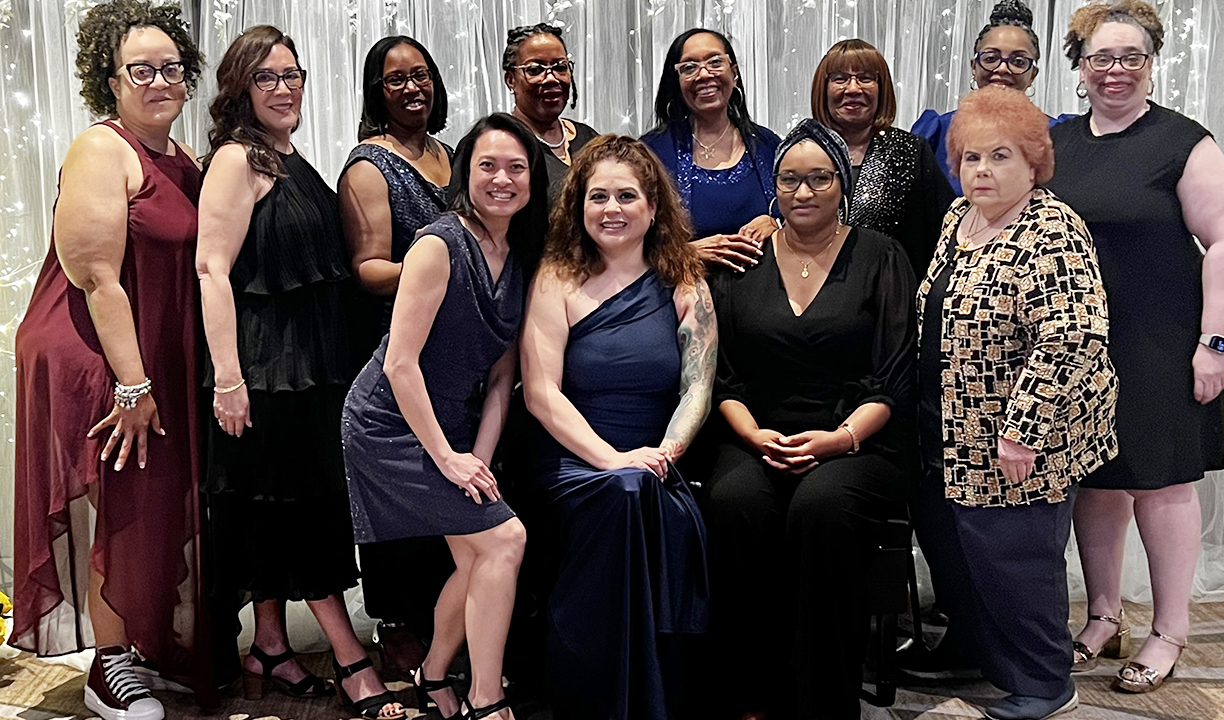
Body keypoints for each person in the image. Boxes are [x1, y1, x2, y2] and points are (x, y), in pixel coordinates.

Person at [195, 25, 401, 720]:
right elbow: (210, 270)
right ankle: (350, 659)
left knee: (280, 508)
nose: (285, 89)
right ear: (241, 90)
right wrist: (228, 378)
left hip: (306, 368)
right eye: (267, 78)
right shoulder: (236, 159)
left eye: (293, 75)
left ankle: (271, 651)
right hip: (263, 371)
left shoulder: (284, 154)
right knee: (306, 512)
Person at [11, 2, 209, 718]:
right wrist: (133, 385)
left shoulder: (183, 159)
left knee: (153, 496)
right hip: (93, 351)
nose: (160, 80)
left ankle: (144, 647)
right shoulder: (102, 149)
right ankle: (110, 667)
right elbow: (95, 276)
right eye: (141, 69)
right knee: (125, 494)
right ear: (111, 78)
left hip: (147, 349)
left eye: (172, 67)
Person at [1048, 0, 1224, 694]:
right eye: (1101, 57)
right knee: (1098, 484)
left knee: (1159, 483)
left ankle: (1169, 631)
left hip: (1163, 342)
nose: (1116, 70)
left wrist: (1213, 344)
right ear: (1078, 68)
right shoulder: (1061, 144)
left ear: (1152, 64)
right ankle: (1104, 616)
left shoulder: (1182, 142)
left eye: (1131, 56)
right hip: (1080, 348)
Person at [916, 86, 1118, 720]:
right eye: (970, 158)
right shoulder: (959, 220)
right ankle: (980, 651)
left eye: (1000, 157)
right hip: (954, 423)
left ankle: (1043, 682)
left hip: (1020, 435)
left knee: (1017, 559)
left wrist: (1022, 430)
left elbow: (1073, 338)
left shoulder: (1051, 231)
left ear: (1034, 163)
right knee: (968, 549)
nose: (982, 171)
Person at [706, 119, 918, 719]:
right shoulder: (743, 257)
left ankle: (820, 699)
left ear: (841, 183)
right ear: (773, 186)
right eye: (790, 179)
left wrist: (841, 438)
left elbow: (897, 372)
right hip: (754, 434)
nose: (804, 192)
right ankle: (747, 695)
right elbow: (719, 372)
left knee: (820, 508)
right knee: (732, 504)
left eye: (819, 178)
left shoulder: (881, 256)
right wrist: (750, 433)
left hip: (858, 438)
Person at [344, 113, 546, 720]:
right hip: (388, 423)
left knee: (477, 554)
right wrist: (449, 459)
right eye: (488, 165)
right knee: (505, 540)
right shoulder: (438, 243)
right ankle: (487, 697)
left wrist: (478, 458)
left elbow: (503, 378)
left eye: (516, 167)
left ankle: (434, 675)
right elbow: (400, 365)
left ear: (533, 178)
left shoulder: (521, 254)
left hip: (455, 424)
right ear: (466, 173)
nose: (502, 179)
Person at [521, 134, 714, 720]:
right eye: (597, 196)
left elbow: (698, 385)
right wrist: (612, 459)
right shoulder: (555, 278)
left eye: (626, 196)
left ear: (653, 207)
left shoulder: (685, 280)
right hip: (571, 455)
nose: (611, 209)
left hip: (656, 455)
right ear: (578, 205)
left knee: (638, 491)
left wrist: (664, 452)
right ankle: (600, 696)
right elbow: (540, 392)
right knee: (625, 491)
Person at [337, 34, 454, 678]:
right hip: (397, 351)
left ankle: (446, 628)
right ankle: (397, 626)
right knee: (400, 493)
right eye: (395, 79)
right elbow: (368, 269)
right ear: (377, 92)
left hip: (454, 352)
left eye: (421, 76)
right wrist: (440, 267)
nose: (412, 88)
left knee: (445, 491)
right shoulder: (369, 165)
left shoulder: (452, 154)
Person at [810, 38, 954, 281]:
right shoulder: (802, 150)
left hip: (891, 300)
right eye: (840, 78)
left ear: (882, 88)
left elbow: (945, 231)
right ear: (823, 88)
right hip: (811, 295)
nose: (853, 89)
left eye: (866, 78)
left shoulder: (911, 151)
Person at [643, 28, 779, 272]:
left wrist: (777, 223)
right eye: (689, 67)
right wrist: (685, 253)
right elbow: (627, 239)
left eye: (715, 62)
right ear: (676, 81)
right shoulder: (651, 152)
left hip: (766, 299)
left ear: (734, 72)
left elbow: (804, 218)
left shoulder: (768, 145)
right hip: (682, 294)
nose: (704, 74)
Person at [911, 0, 1071, 195]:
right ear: (974, 67)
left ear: (1032, 75)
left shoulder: (1058, 135)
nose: (1002, 68)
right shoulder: (936, 133)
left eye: (1018, 61)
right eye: (990, 58)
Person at [504, 23, 599, 206]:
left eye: (560, 67)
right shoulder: (500, 148)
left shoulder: (589, 139)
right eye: (534, 70)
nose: (551, 78)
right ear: (510, 80)